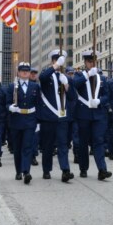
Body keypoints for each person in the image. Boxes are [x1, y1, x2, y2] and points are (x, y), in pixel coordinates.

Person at [72, 49, 112, 181]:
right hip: (83, 114)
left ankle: (102, 169)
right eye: (89, 61)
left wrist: (100, 101)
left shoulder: (102, 78)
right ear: (85, 62)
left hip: (98, 114)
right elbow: (74, 85)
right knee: (83, 142)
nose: (92, 63)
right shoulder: (79, 75)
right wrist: (88, 75)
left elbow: (107, 95)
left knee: (98, 141)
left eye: (94, 61)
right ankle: (83, 168)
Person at [39, 49, 76, 182]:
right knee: (48, 146)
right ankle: (46, 170)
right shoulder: (47, 75)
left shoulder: (65, 77)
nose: (60, 63)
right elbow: (41, 78)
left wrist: (66, 84)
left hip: (62, 118)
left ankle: (65, 171)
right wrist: (54, 67)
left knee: (63, 145)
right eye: (57, 60)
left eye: (61, 61)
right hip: (48, 117)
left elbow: (72, 98)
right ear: (53, 61)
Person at [7, 62, 41, 184]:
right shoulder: (12, 87)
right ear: (19, 72)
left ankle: (26, 172)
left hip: (30, 120)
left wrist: (38, 122)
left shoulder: (35, 86)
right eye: (23, 70)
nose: (25, 72)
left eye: (27, 71)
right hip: (16, 120)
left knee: (27, 147)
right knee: (17, 148)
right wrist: (10, 107)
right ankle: (18, 171)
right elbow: (6, 103)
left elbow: (38, 104)